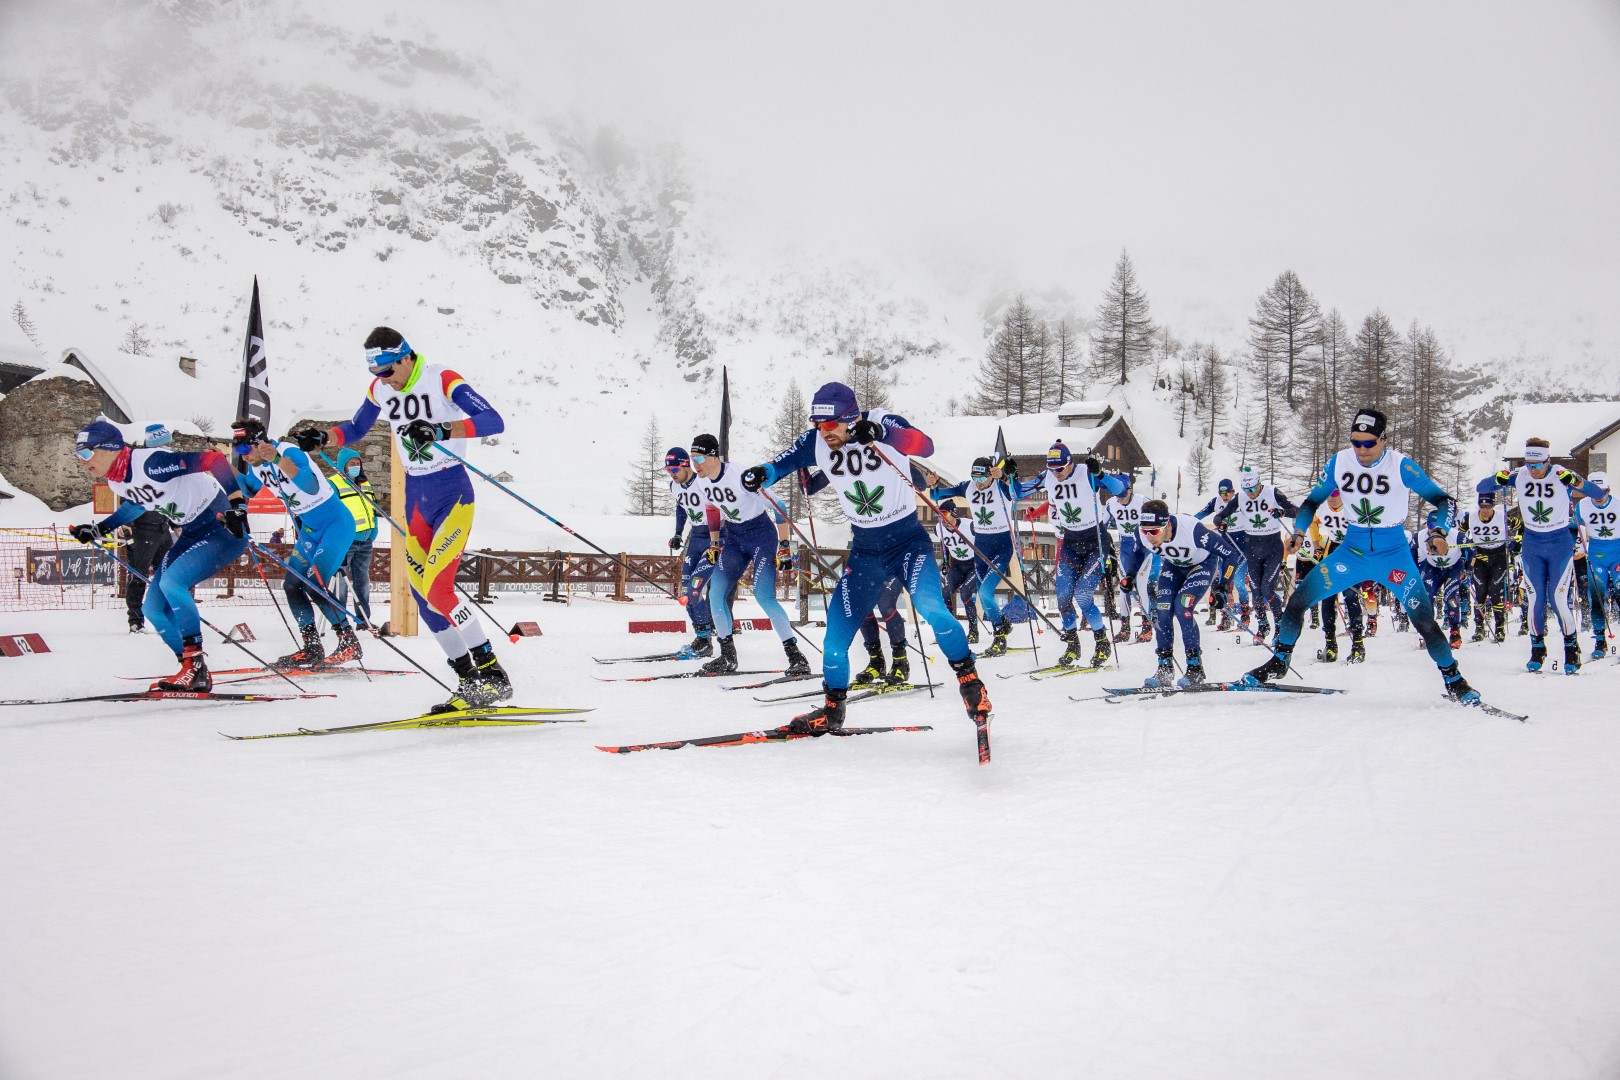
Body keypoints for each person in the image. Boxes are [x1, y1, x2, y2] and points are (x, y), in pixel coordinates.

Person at [740, 381, 989, 736]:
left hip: (908, 544)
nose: (823, 432)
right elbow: (781, 464)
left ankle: (971, 685)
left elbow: (924, 445)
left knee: (932, 609)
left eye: (830, 424)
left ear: (851, 417)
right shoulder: (817, 441)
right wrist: (759, 474)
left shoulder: (882, 421)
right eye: (817, 424)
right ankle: (832, 711)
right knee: (834, 642)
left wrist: (883, 434)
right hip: (866, 552)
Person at [295, 326, 511, 710]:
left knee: (439, 590)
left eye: (388, 371)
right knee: (422, 597)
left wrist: (441, 429)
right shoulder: (380, 388)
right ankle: (469, 680)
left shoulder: (441, 378)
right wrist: (324, 438)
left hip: (451, 493)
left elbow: (493, 420)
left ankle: (493, 675)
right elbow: (357, 428)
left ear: (405, 357)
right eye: (376, 373)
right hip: (416, 499)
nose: (384, 380)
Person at [1244, 407, 1480, 704]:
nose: (1362, 449)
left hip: (1393, 554)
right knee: (1298, 601)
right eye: (1356, 442)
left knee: (1424, 620)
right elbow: (1311, 503)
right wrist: (1300, 532)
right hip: (1351, 553)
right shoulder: (1339, 462)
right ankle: (1280, 661)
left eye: (1369, 443)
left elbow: (1444, 500)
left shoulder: (1401, 466)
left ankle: (1455, 680)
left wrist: (1440, 532)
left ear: (1384, 440)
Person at [69, 419, 249, 691]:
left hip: (221, 528)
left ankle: (194, 667)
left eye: (86, 453)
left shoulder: (151, 463)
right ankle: (191, 668)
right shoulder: (117, 482)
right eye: (78, 455)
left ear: (110, 448)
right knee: (153, 609)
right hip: (192, 532)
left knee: (172, 583)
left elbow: (213, 460)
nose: (83, 462)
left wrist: (237, 505)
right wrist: (99, 529)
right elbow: (138, 504)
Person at [232, 417, 362, 667]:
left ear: (260, 443)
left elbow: (310, 486)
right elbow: (248, 490)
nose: (243, 455)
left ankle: (349, 642)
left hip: (336, 524)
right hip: (310, 530)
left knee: (314, 584)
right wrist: (222, 466)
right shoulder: (257, 467)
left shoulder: (288, 452)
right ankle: (312, 647)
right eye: (238, 450)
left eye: (245, 448)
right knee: (292, 585)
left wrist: (277, 461)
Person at [688, 432, 809, 677]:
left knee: (763, 596)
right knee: (716, 595)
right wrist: (714, 544)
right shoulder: (701, 482)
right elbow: (712, 509)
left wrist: (785, 547)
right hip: (734, 537)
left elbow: (780, 506)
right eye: (692, 459)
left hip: (761, 535)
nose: (695, 465)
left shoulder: (740, 476)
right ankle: (727, 656)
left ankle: (796, 657)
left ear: (714, 456)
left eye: (699, 459)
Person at [1489, 438, 1607, 673]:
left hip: (1559, 544)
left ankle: (1571, 647)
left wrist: (1576, 481)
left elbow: (1596, 493)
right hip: (1532, 544)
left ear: (1547, 461)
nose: (1532, 470)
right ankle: (1537, 648)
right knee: (1535, 599)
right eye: (1528, 464)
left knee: (1558, 599)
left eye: (1537, 465)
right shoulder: (1520, 475)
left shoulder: (1561, 474)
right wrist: (1497, 479)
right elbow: (1482, 488)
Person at [1016, 440, 1126, 667]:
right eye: (1052, 468)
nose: (1056, 473)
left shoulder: (1086, 473)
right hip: (1071, 542)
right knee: (1063, 596)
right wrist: (1009, 475)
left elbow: (1121, 490)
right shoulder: (1048, 476)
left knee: (1083, 595)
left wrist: (1101, 474)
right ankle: (1073, 645)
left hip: (1095, 541)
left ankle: (1102, 642)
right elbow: (1017, 493)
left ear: (1070, 463)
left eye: (1060, 468)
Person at [1136, 500, 1242, 687]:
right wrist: (1130, 575)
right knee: (1162, 610)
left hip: (1202, 565)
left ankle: (1195, 669)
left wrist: (1223, 587)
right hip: (1173, 566)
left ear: (1167, 525)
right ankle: (1164, 668)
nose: (1150, 537)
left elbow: (1231, 554)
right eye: (1146, 531)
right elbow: (1136, 553)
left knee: (1183, 608)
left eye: (1155, 531)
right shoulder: (1142, 534)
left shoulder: (1193, 531)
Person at [926, 456, 1020, 655]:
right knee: (983, 598)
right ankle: (1002, 622)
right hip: (981, 547)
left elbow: (1017, 491)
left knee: (985, 593)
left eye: (981, 478)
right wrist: (934, 484)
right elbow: (937, 495)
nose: (977, 483)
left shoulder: (1000, 486)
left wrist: (1006, 476)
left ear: (990, 474)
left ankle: (999, 636)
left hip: (1001, 546)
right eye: (974, 478)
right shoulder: (968, 487)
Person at [1213, 466, 1298, 641]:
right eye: (1246, 489)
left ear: (1259, 483)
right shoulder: (1241, 497)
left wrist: (1283, 512)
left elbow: (1297, 510)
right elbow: (1219, 516)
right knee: (1256, 591)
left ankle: (1280, 625)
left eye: (1253, 488)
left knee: (1267, 588)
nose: (1250, 493)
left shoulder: (1272, 492)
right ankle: (1262, 625)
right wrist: (1220, 523)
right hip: (1252, 548)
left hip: (1272, 547)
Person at [664, 447, 716, 659]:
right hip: (695, 538)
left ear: (686, 465)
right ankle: (701, 638)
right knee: (686, 591)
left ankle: (707, 641)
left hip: (715, 538)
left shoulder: (703, 482)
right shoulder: (674, 486)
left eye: (675, 469)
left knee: (695, 589)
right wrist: (678, 534)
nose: (672, 474)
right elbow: (681, 507)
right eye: (668, 470)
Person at [1308, 488, 1365, 663]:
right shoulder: (1322, 508)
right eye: (1329, 495)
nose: (1331, 498)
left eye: (1335, 494)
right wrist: (1317, 546)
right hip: (1334, 548)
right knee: (1327, 596)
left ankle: (1358, 645)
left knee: (1350, 595)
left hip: (1354, 550)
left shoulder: (1353, 506)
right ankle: (1330, 644)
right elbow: (1312, 522)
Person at [328, 447, 378, 628]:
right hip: (345, 542)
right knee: (340, 582)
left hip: (365, 541)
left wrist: (373, 530)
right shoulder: (333, 484)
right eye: (352, 463)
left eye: (358, 463)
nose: (356, 466)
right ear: (343, 465)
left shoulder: (365, 484)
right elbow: (331, 513)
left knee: (362, 581)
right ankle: (340, 621)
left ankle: (363, 619)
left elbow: (373, 509)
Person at [1195, 478, 1251, 629]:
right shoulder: (1216, 502)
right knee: (1223, 583)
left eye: (1227, 493)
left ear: (1233, 492)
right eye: (1222, 493)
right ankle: (1226, 617)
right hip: (1225, 547)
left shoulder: (1241, 500)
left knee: (1239, 583)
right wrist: (1187, 522)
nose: (1225, 496)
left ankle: (1245, 616)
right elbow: (1201, 514)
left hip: (1242, 546)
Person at [1461, 479, 1510, 643]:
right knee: (1480, 592)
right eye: (1482, 506)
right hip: (1480, 558)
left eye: (1488, 506)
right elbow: (1459, 534)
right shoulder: (1470, 518)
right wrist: (1465, 544)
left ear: (1493, 506)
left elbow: (1519, 527)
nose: (1485, 510)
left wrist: (1515, 543)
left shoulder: (1503, 516)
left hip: (1498, 558)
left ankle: (1500, 628)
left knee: (1495, 592)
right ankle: (1479, 629)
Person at [1108, 472, 1155, 644]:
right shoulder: (1111, 503)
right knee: (1124, 589)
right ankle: (1125, 628)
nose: (1120, 498)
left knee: (1141, 587)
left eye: (1122, 494)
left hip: (1143, 547)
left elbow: (1160, 516)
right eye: (1117, 494)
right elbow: (1101, 525)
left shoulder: (1142, 501)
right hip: (1126, 549)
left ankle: (1147, 627)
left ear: (1130, 489)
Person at [1577, 471, 1619, 659]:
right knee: (1596, 597)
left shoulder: (1618, 503)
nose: (1599, 496)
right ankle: (1600, 640)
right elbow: (1573, 527)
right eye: (1594, 492)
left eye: (1603, 491)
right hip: (1596, 554)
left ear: (1609, 490)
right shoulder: (1582, 506)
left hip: (1617, 552)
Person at [1412, 508, 1467, 649]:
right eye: (1430, 525)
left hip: (1453, 568)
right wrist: (1415, 570)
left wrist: (1468, 568)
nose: (1433, 529)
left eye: (1436, 526)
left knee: (1450, 597)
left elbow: (1471, 549)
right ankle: (1428, 631)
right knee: (1427, 597)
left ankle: (1455, 631)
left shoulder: (1455, 535)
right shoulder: (1419, 536)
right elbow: (1411, 552)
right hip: (1433, 568)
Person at [935, 502, 981, 643]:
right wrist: (946, 561)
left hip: (974, 565)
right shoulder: (938, 529)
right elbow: (946, 545)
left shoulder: (970, 526)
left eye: (945, 514)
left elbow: (984, 540)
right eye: (939, 515)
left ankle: (973, 632)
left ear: (953, 514)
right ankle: (950, 630)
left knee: (965, 593)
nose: (942, 519)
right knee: (945, 593)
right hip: (957, 565)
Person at [853, 577, 911, 685]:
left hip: (894, 569)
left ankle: (901, 663)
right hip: (871, 570)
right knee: (861, 606)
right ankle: (876, 663)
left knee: (886, 604)